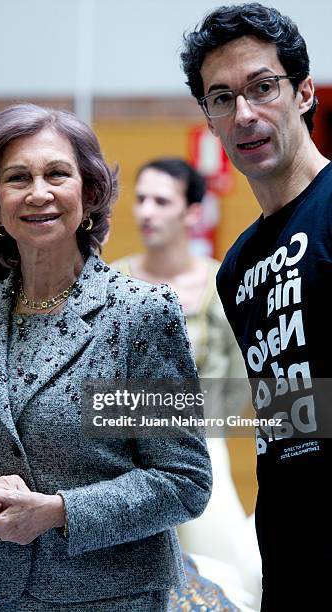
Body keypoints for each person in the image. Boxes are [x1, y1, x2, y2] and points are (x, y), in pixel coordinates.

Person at [0, 103, 212, 611]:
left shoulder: (138, 315)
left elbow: (181, 480)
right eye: (17, 178)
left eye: (57, 173)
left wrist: (58, 512)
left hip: (114, 598)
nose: (39, 193)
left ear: (91, 192)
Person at [181, 3, 331, 610]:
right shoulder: (238, 265)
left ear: (301, 93)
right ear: (210, 119)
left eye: (261, 87)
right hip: (291, 554)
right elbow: (287, 410)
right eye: (221, 97)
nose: (244, 113)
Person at [112, 157, 261, 609]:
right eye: (140, 199)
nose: (146, 212)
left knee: (238, 578)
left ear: (192, 213)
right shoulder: (112, 282)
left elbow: (233, 389)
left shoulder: (222, 283)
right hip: (121, 456)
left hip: (201, 448)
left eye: (162, 200)